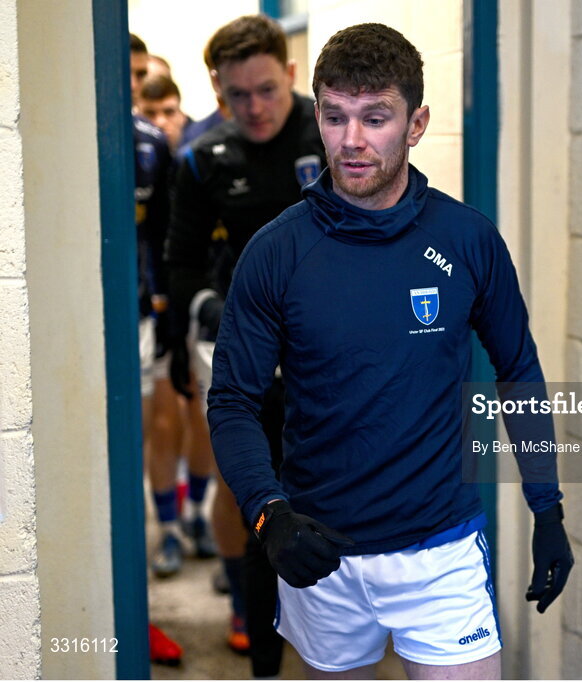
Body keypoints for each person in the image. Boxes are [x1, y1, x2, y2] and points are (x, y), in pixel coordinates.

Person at [206, 23, 573, 679]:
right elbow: (233, 399)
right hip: (321, 550)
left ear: (416, 122)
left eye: (375, 118)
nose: (351, 141)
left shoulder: (467, 239)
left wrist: (547, 507)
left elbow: (518, 371)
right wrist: (268, 513)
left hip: (440, 551)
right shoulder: (276, 253)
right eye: (336, 116)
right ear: (318, 114)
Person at [164, 14, 325, 670]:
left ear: (289, 73)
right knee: (250, 494)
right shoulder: (204, 158)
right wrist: (205, 310)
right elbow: (182, 262)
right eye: (238, 95)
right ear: (217, 89)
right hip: (243, 347)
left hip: (330, 352)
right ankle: (250, 622)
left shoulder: (336, 130)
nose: (254, 107)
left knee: (326, 487)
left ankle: (323, 629)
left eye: (266, 88)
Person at [129, 31, 184, 668]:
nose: (136, 86)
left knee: (137, 454)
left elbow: (169, 240)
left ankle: (137, 612)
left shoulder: (151, 149)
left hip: (141, 323)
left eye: (141, 74)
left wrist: (167, 322)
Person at [138, 74, 194, 154]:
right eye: (150, 113)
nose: (160, 123)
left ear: (183, 117)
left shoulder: (199, 155)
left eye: (169, 112)